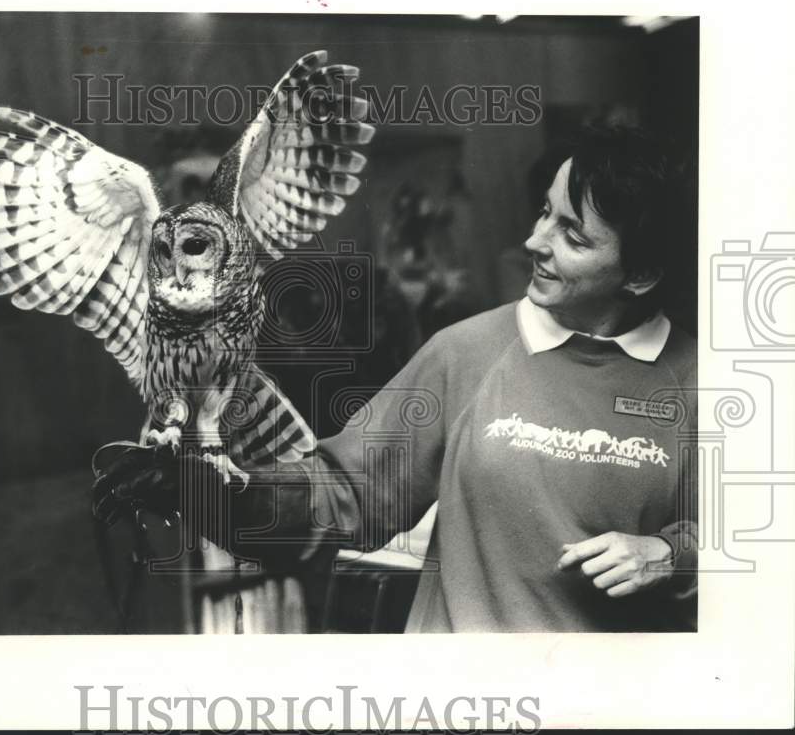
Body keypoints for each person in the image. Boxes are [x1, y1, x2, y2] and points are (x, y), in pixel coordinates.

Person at [97, 124, 698, 633]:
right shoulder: (469, 351)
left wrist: (673, 554)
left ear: (641, 273)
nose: (534, 240)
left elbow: (760, 544)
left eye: (573, 235)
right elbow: (348, 495)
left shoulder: (702, 385)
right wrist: (207, 491)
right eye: (546, 210)